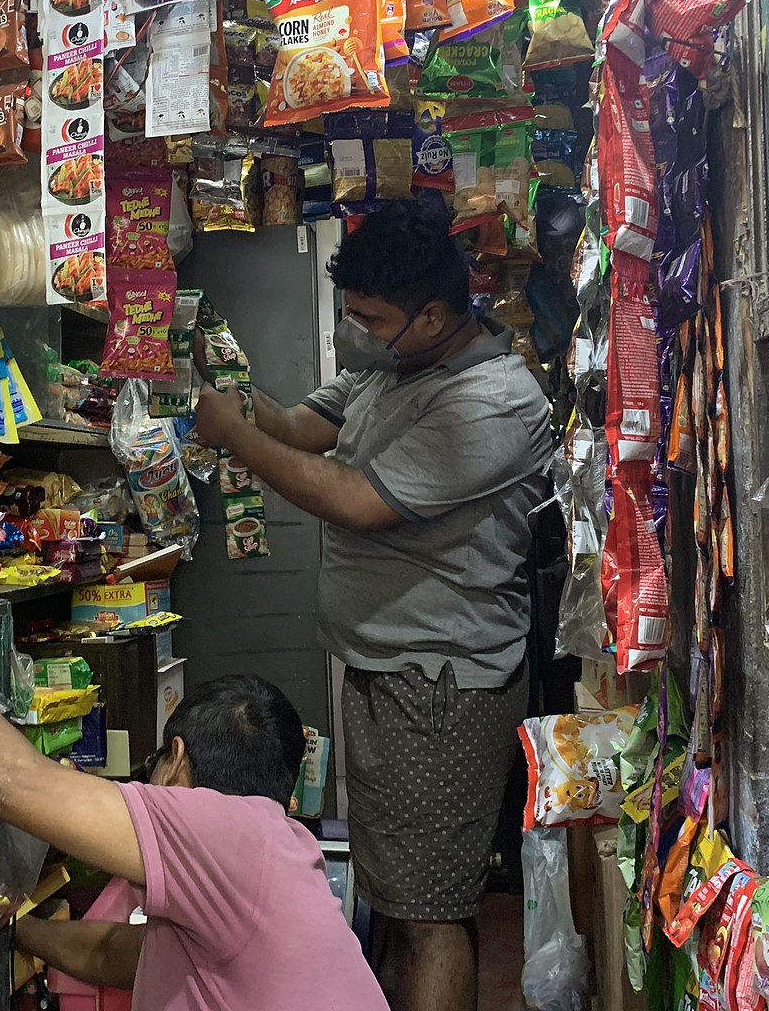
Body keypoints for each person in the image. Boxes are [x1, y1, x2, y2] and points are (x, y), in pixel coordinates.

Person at [191, 203, 552, 1011]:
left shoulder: (490, 402)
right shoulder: (392, 365)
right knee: (397, 900)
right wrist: (215, 381)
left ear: (430, 315)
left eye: (369, 316)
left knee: (430, 916)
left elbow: (356, 500)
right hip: (392, 670)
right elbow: (294, 426)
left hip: (443, 686)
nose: (354, 329)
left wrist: (234, 437)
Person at [0, 556, 388, 1011]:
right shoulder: (264, 854)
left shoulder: (228, 833)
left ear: (175, 760)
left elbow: (6, 780)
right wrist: (18, 931)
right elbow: (125, 955)